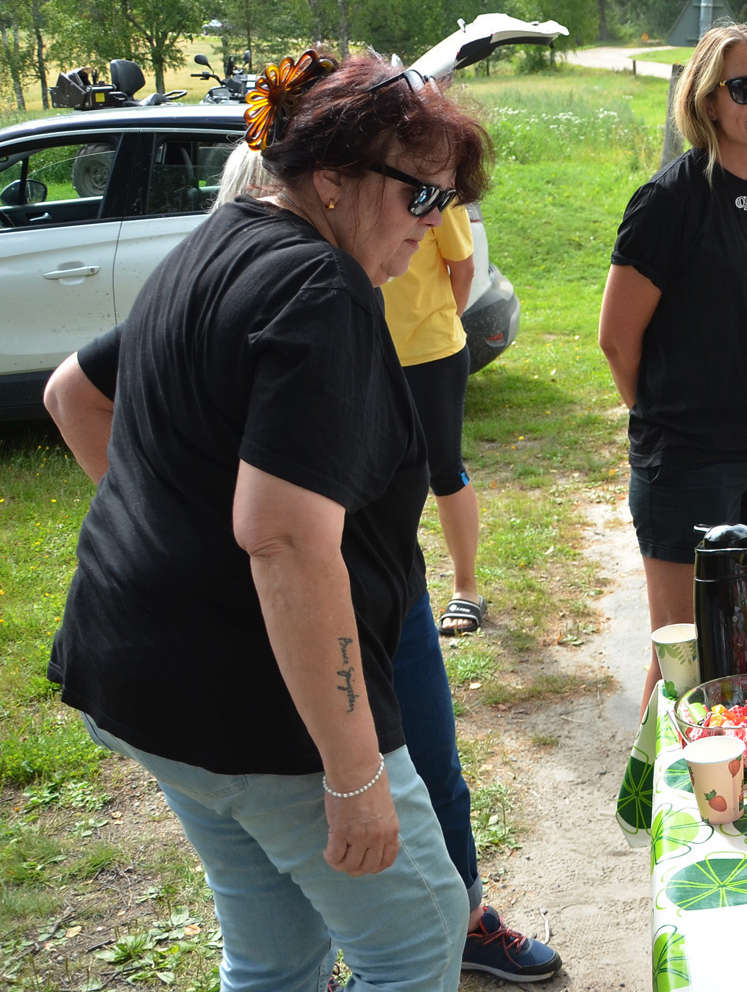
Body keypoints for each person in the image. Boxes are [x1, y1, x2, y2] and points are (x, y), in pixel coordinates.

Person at [63, 139, 564, 982]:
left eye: (448, 202)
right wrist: (353, 773)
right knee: (418, 936)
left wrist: (182, 536)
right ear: (332, 180)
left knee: (276, 951)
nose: (433, 224)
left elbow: (69, 393)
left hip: (140, 683)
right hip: (258, 705)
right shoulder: (319, 285)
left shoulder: (216, 238)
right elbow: (287, 540)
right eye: (420, 197)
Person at [598, 24, 747, 699]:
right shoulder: (669, 201)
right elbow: (615, 338)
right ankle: (651, 807)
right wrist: (670, 421)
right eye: (745, 87)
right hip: (689, 462)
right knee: (684, 669)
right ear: (707, 101)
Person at [380, 187, 486, 638]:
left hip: (433, 354)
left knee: (443, 470)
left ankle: (467, 587)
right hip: (370, 348)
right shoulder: (369, 188)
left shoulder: (442, 196)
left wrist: (444, 323)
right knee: (376, 474)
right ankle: (388, 584)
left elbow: (462, 268)